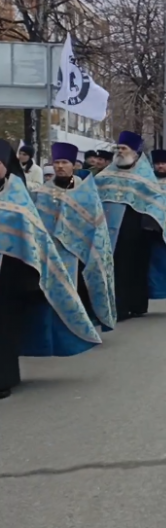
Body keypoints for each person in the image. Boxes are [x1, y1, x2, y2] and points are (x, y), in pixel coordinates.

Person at [0, 139, 102, 400]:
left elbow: (33, 237)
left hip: (8, 274)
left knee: (3, 326)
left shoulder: (17, 196)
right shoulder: (40, 192)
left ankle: (3, 378)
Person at [95, 132, 166, 318]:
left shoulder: (145, 176)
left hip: (138, 231)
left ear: (134, 152)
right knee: (118, 269)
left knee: (137, 268)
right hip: (111, 232)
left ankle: (137, 304)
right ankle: (120, 307)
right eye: (118, 149)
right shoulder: (105, 175)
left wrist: (150, 227)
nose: (119, 152)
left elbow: (155, 204)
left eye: (123, 149)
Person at [29, 142, 117, 332]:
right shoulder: (41, 193)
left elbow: (97, 223)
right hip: (52, 252)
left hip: (81, 252)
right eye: (57, 162)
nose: (60, 166)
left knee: (81, 289)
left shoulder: (86, 192)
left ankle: (85, 326)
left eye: (64, 162)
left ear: (74, 165)